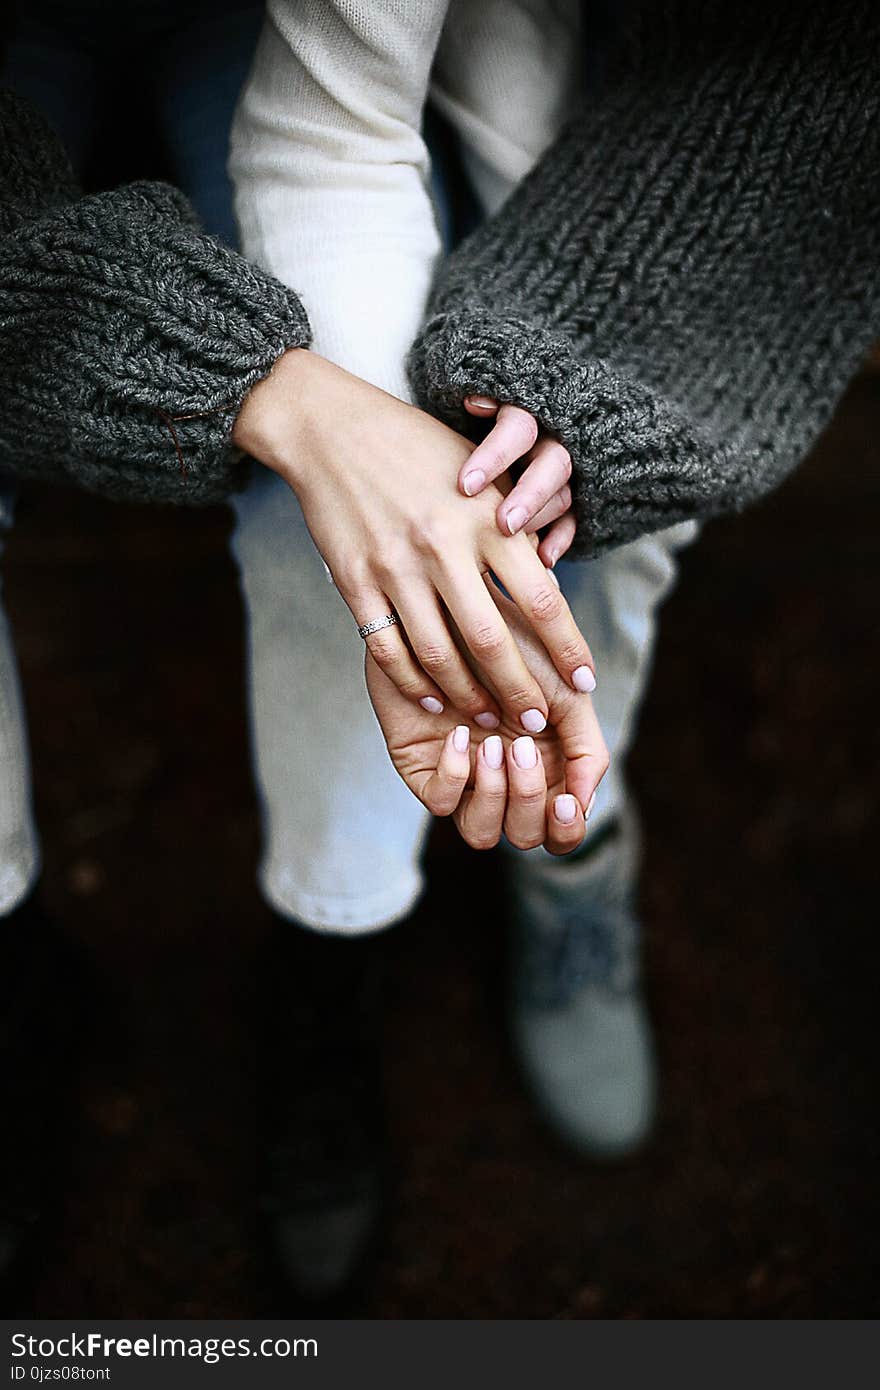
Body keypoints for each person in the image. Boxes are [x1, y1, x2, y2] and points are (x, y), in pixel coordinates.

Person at [2, 0, 878, 1301]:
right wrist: (290, 405)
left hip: (281, 45)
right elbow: (333, 131)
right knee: (378, 504)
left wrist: (519, 420)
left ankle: (340, 942)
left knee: (421, 528)